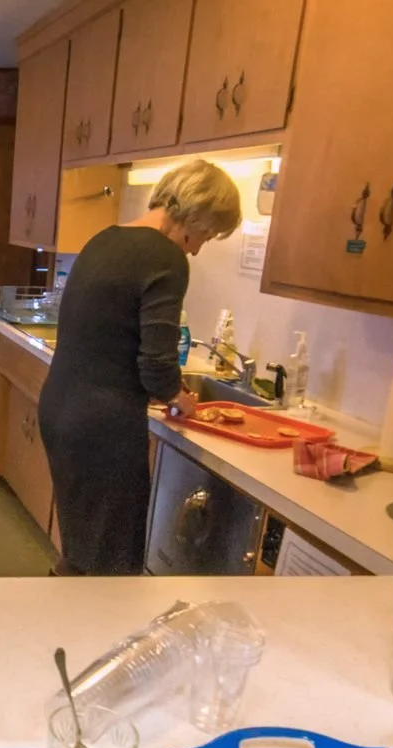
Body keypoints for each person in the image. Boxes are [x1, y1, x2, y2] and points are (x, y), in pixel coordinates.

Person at [38, 160, 242, 575]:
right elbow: (156, 367)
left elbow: (113, 336)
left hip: (61, 409)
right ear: (196, 212)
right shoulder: (165, 258)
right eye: (205, 233)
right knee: (112, 563)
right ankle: (85, 635)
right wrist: (179, 397)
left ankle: (61, 629)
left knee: (82, 547)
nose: (198, 248)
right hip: (103, 426)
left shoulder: (105, 239)